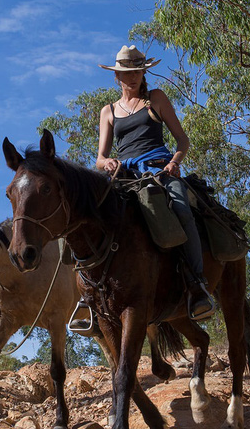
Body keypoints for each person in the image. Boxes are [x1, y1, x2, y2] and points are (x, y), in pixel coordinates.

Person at [68, 44, 215, 334]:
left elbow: (182, 141)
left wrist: (174, 162)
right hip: (124, 176)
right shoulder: (108, 111)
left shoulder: (155, 99)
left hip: (159, 171)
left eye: (137, 71)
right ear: (116, 77)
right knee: (82, 218)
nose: (132, 77)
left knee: (182, 210)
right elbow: (99, 158)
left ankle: (197, 285)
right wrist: (107, 162)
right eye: (126, 73)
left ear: (143, 72)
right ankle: (88, 296)